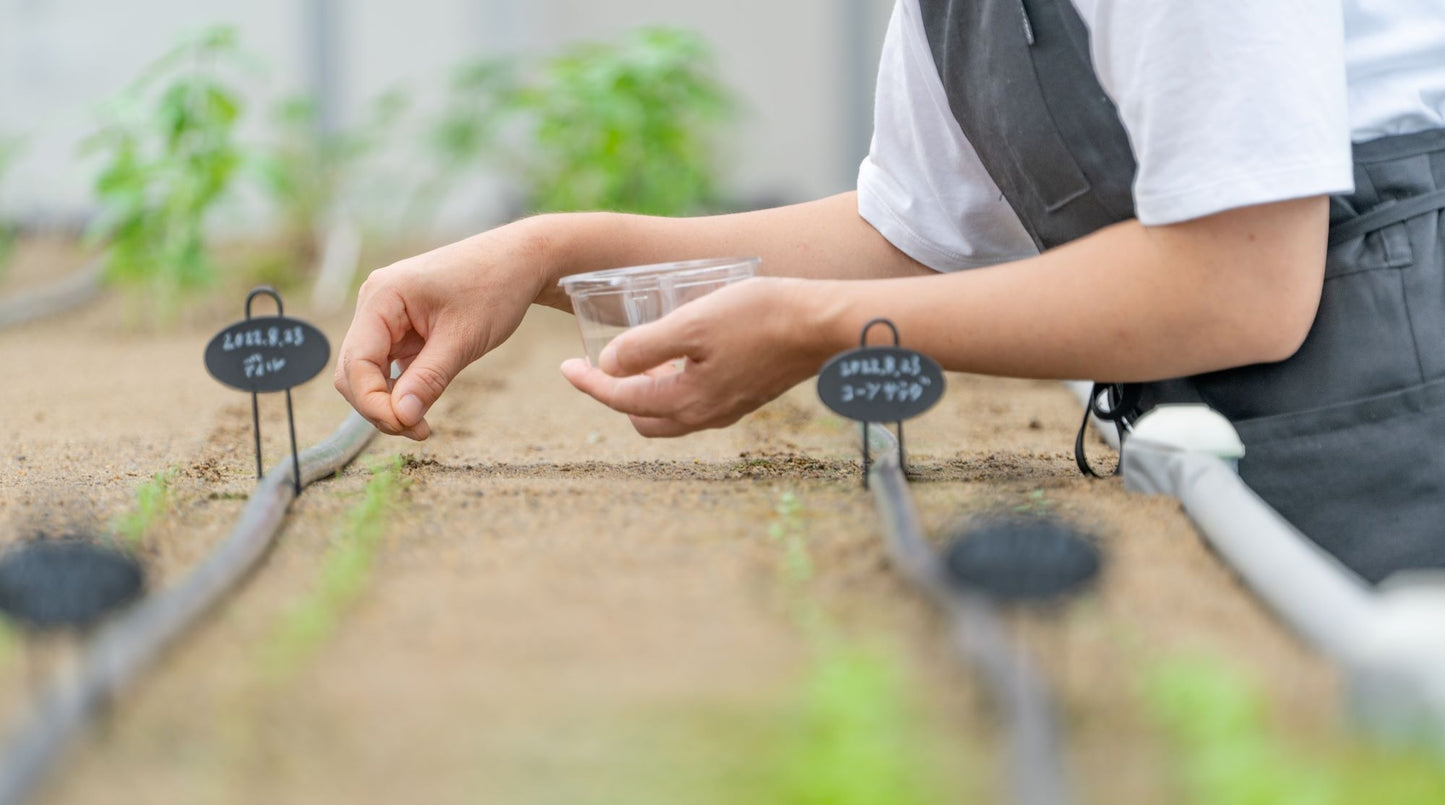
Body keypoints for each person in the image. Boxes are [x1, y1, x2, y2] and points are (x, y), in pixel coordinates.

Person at [335, 0, 1445, 583]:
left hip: (1399, 416)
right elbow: (907, 236)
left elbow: (1238, 280)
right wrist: (544, 252)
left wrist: (821, 332)